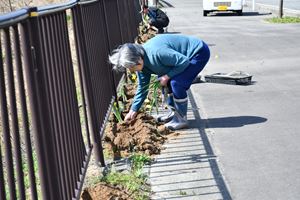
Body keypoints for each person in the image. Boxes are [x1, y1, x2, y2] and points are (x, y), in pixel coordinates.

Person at [109, 34, 210, 130]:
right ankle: (174, 114)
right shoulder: (141, 66)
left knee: (176, 83)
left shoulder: (156, 53)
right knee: (168, 82)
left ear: (139, 59)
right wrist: (133, 110)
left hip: (198, 52)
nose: (131, 70)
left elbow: (183, 61)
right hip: (182, 59)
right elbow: (143, 88)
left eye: (131, 67)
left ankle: (181, 119)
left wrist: (167, 76)